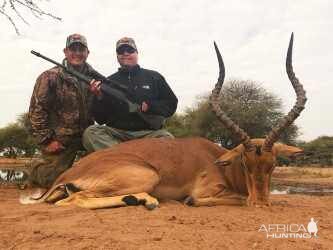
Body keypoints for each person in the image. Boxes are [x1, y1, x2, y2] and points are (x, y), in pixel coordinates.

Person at [28, 34, 100, 189]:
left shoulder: (96, 79)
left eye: (81, 49)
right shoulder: (50, 76)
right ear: (65, 52)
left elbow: (102, 113)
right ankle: (35, 169)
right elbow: (36, 111)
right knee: (54, 180)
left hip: (87, 136)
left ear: (88, 53)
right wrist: (47, 141)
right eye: (73, 49)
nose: (77, 53)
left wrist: (100, 97)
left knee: (102, 173)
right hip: (61, 140)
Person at [83, 37, 178, 152]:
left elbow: (171, 104)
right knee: (91, 133)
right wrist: (99, 97)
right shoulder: (108, 82)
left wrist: (151, 106)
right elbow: (101, 119)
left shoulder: (154, 77)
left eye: (129, 50)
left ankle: (121, 156)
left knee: (167, 138)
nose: (125, 54)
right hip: (117, 135)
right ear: (117, 56)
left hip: (148, 134)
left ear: (137, 53)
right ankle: (129, 156)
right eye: (121, 51)